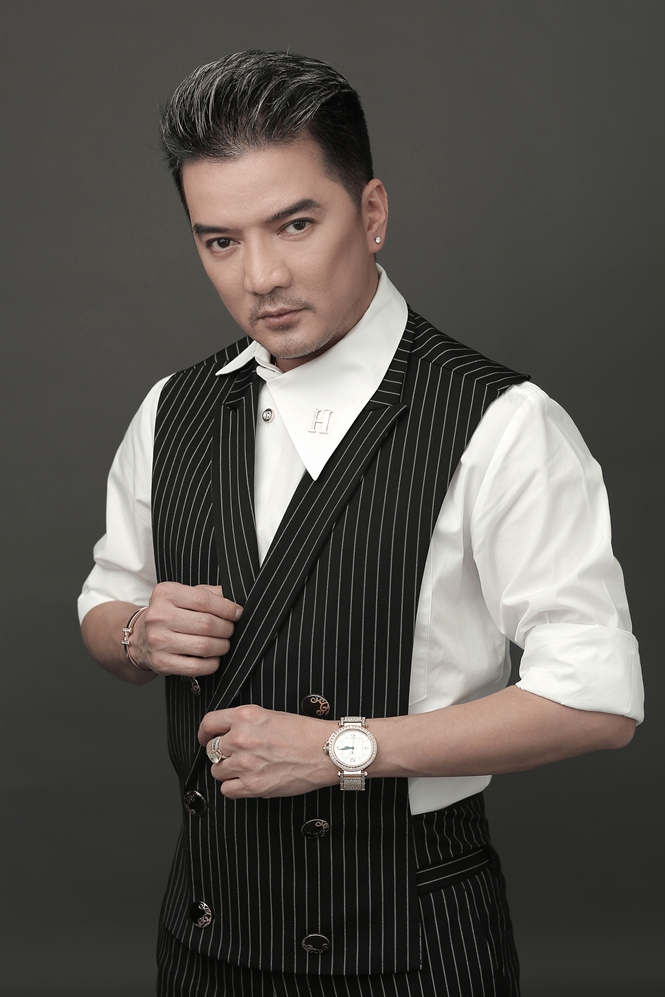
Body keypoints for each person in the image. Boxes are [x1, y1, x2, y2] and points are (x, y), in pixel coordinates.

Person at [78, 50, 643, 997]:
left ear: (371, 213)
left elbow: (596, 700)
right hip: (203, 933)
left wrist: (342, 747)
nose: (261, 276)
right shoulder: (170, 409)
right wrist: (137, 633)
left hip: (407, 939)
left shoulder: (501, 422)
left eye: (295, 224)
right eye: (219, 241)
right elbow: (106, 601)